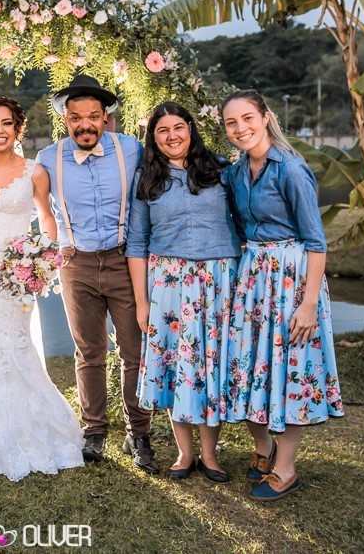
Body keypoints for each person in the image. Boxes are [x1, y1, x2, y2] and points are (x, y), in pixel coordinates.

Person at [0, 96, 85, 481]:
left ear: (17, 128)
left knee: (15, 347)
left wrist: (44, 263)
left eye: (6, 123)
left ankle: (28, 430)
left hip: (16, 273)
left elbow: (47, 219)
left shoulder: (34, 172)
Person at [220, 90, 345, 501]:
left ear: (266, 117)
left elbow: (316, 241)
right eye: (231, 124)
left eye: (247, 119)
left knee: (289, 369)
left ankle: (287, 470)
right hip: (254, 277)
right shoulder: (237, 174)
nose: (240, 129)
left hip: (292, 280)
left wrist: (308, 304)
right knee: (253, 365)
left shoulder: (290, 168)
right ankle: (264, 450)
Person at [32, 75, 158, 475]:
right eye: (75, 118)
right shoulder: (47, 158)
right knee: (89, 352)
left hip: (124, 261)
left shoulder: (131, 150)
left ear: (105, 118)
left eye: (92, 116)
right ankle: (95, 431)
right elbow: (40, 213)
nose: (84, 124)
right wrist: (52, 249)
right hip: (78, 266)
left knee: (134, 352)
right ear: (65, 121)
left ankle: (138, 433)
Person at [126, 102, 240, 482]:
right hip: (169, 284)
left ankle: (210, 455)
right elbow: (138, 242)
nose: (172, 135)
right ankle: (184, 454)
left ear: (191, 129)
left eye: (179, 127)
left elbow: (244, 224)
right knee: (178, 366)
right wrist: (143, 301)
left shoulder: (221, 170)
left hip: (217, 279)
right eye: (163, 130)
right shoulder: (146, 178)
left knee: (210, 366)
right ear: (153, 137)